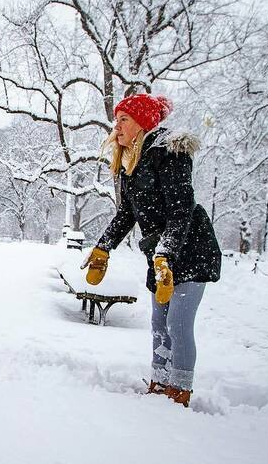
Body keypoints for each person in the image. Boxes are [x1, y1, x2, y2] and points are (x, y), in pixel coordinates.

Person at [81, 94, 221, 407]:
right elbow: (126, 214)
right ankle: (160, 384)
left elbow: (181, 210)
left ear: (142, 122)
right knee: (159, 324)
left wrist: (165, 254)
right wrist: (103, 247)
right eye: (116, 120)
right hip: (161, 255)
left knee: (178, 324)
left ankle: (180, 391)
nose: (116, 127)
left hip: (189, 249)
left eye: (124, 120)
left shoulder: (167, 153)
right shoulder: (132, 162)